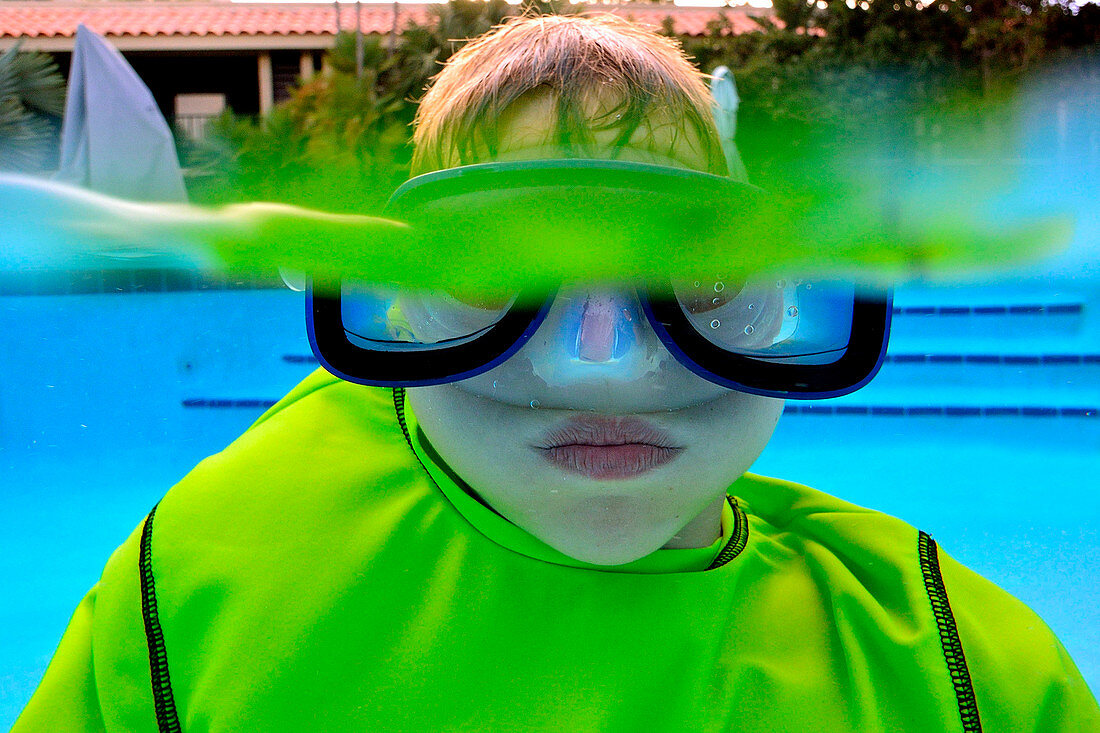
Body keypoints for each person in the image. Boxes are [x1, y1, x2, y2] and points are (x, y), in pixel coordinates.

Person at [13, 13, 1099, 733]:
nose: (605, 369)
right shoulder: (203, 570)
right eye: (495, 273)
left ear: (780, 301)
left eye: (700, 273)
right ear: (396, 304)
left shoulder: (956, 666)